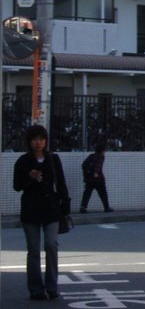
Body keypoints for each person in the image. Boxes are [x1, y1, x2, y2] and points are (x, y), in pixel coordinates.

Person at [12, 124, 70, 300]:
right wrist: (30, 179)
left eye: (42, 139)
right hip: (30, 209)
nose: (39, 143)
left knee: (52, 245)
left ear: (46, 141)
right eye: (35, 139)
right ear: (29, 142)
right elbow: (16, 186)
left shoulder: (53, 159)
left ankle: (52, 287)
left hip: (51, 209)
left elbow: (61, 184)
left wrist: (65, 208)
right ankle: (36, 289)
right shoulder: (22, 161)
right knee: (34, 249)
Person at [80, 139, 112, 213]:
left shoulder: (91, 156)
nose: (105, 152)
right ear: (102, 151)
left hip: (89, 179)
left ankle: (83, 207)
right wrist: (96, 172)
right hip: (99, 179)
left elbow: (83, 165)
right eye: (104, 150)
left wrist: (86, 175)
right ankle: (106, 207)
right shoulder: (101, 157)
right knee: (103, 193)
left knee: (87, 193)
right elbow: (98, 165)